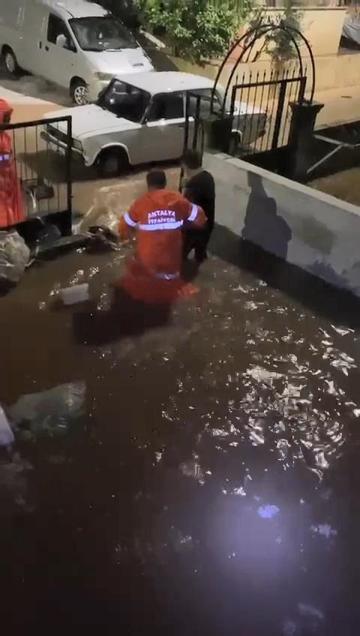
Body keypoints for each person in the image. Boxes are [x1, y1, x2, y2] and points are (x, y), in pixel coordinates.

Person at [117, 169, 206, 303]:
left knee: (132, 262)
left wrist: (126, 237)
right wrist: (184, 223)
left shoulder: (141, 203)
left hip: (148, 266)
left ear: (148, 185)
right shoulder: (177, 199)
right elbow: (200, 218)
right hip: (171, 267)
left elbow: (124, 226)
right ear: (165, 183)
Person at [182, 149, 215, 263]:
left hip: (193, 229)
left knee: (178, 258)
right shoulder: (208, 177)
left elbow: (184, 208)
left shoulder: (193, 185)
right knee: (200, 257)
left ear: (185, 166)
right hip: (208, 226)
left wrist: (185, 188)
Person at [0, 99, 25, 228]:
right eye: (6, 118)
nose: (8, 121)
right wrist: (6, 159)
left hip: (8, 180)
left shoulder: (5, 136)